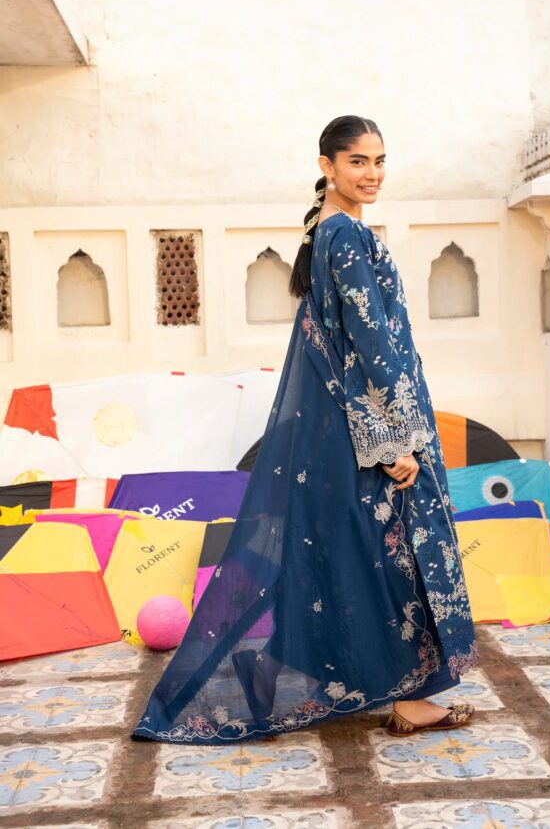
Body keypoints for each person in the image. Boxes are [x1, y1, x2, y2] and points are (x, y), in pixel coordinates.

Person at [131, 115, 480, 747]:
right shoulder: (345, 234)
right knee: (388, 558)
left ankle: (303, 681)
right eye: (357, 162)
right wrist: (398, 441)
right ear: (327, 166)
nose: (372, 174)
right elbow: (370, 344)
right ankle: (409, 700)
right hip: (371, 428)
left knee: (349, 555)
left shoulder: (326, 229)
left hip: (342, 427)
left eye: (379, 160)